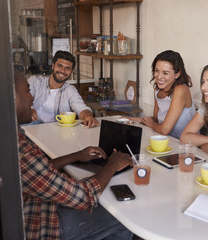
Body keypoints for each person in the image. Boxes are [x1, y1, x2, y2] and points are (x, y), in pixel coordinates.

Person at [14, 70, 133, 240]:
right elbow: (84, 196)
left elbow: (39, 171)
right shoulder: (20, 150)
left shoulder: (11, 137)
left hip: (38, 206)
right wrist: (112, 165)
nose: (31, 98)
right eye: (26, 91)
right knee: (123, 215)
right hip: (43, 223)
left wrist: (77, 155)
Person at [127, 50, 196, 139]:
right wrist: (127, 119)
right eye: (156, 71)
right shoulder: (157, 90)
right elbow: (155, 121)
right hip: (169, 142)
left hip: (186, 146)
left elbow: (164, 129)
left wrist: (151, 124)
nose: (159, 76)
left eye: (165, 73)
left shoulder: (181, 90)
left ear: (177, 74)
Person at [27, 50, 99, 128]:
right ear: (53, 65)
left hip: (56, 130)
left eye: (67, 68)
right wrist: (28, 108)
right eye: (60, 66)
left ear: (71, 72)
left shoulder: (70, 90)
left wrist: (88, 115)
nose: (62, 71)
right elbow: (22, 99)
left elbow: (81, 107)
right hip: (30, 127)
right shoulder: (35, 81)